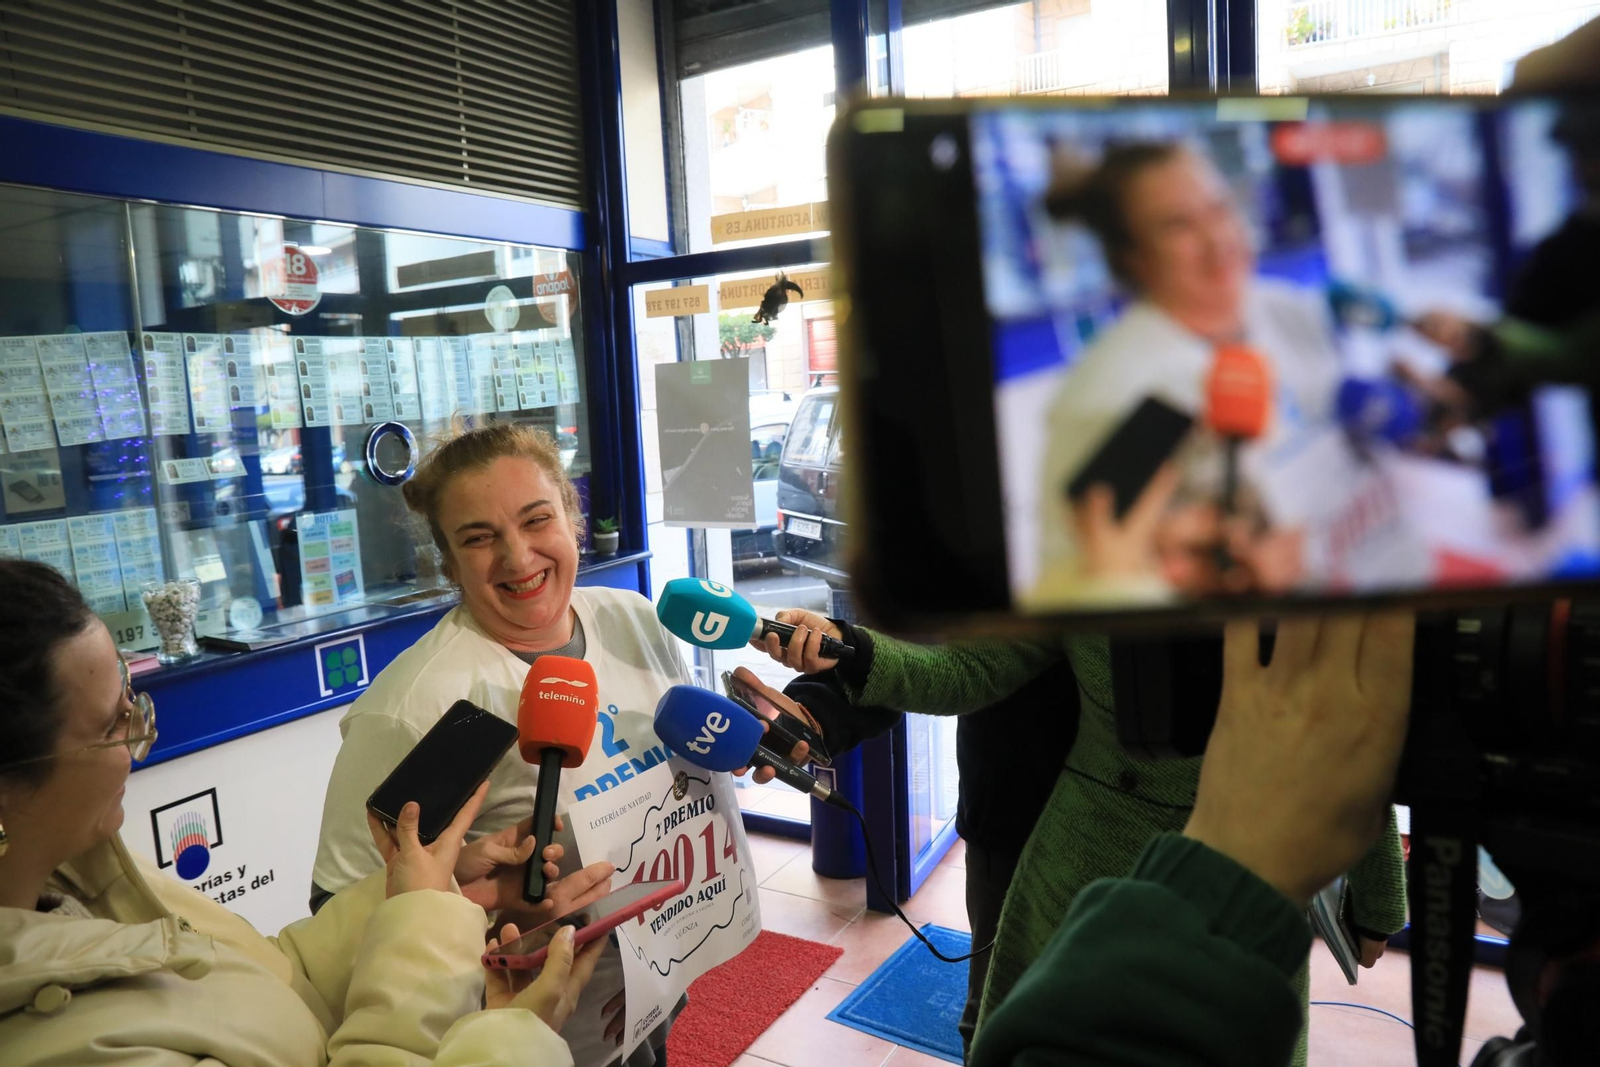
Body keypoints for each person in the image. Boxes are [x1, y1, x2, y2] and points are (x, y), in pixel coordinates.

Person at [0, 558, 605, 1064]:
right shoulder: (62, 1044)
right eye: (113, 725)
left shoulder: (82, 876)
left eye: (134, 701)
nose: (140, 736)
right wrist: (510, 1038)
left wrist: (425, 900)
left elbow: (272, 977)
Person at [751, 610, 1407, 1067]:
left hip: (1242, 866)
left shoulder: (1309, 550)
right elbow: (956, 651)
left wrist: (1379, 891)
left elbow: (1353, 739)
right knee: (1007, 1031)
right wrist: (835, 672)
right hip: (1057, 841)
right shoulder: (1064, 500)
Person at [311, 422, 732, 1067]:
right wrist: (474, 891)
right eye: (478, 538)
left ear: (573, 517)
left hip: (649, 992)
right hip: (518, 1038)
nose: (516, 557)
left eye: (537, 520)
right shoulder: (424, 705)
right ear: (449, 562)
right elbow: (338, 910)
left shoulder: (632, 620)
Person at [967, 611, 1415, 1067]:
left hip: (1245, 887)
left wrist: (1378, 901)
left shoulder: (1294, 579)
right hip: (1087, 863)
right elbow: (973, 665)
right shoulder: (1092, 568)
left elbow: (1346, 735)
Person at [1028, 141, 1364, 605]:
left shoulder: (1287, 308)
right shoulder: (1103, 393)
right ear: (1132, 256)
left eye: (1220, 208)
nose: (1217, 239)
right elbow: (1076, 587)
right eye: (1178, 225)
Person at [736, 652, 1078, 1060]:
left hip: (1139, 825)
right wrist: (813, 714)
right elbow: (921, 649)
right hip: (1009, 819)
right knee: (995, 1018)